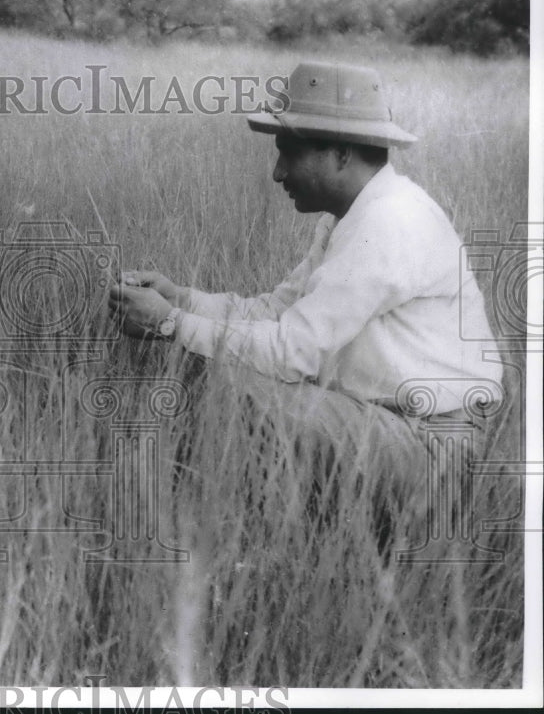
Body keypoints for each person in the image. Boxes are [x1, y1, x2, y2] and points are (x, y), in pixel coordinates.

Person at [108, 61, 503, 514]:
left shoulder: (390, 222)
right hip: (392, 423)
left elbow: (291, 352)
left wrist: (169, 324)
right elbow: (277, 310)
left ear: (339, 153)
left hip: (435, 446)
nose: (277, 173)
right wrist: (182, 299)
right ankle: (248, 534)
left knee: (229, 383)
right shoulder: (354, 215)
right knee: (220, 369)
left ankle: (229, 541)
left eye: (288, 154)